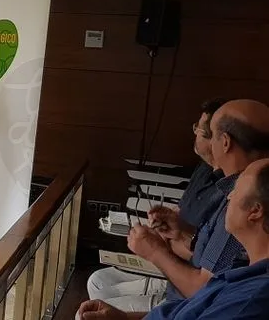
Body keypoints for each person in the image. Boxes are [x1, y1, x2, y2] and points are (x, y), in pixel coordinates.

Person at [86, 99, 269, 313]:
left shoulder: (246, 202)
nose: (230, 196)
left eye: (211, 135)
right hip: (178, 300)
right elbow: (212, 263)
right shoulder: (235, 190)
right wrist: (183, 233)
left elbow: (203, 291)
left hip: (179, 301)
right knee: (98, 284)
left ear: (225, 142)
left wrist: (155, 252)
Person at [76, 158, 269, 320]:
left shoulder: (247, 302)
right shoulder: (243, 271)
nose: (229, 196)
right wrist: (123, 318)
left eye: (236, 189)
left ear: (255, 211)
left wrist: (155, 252)